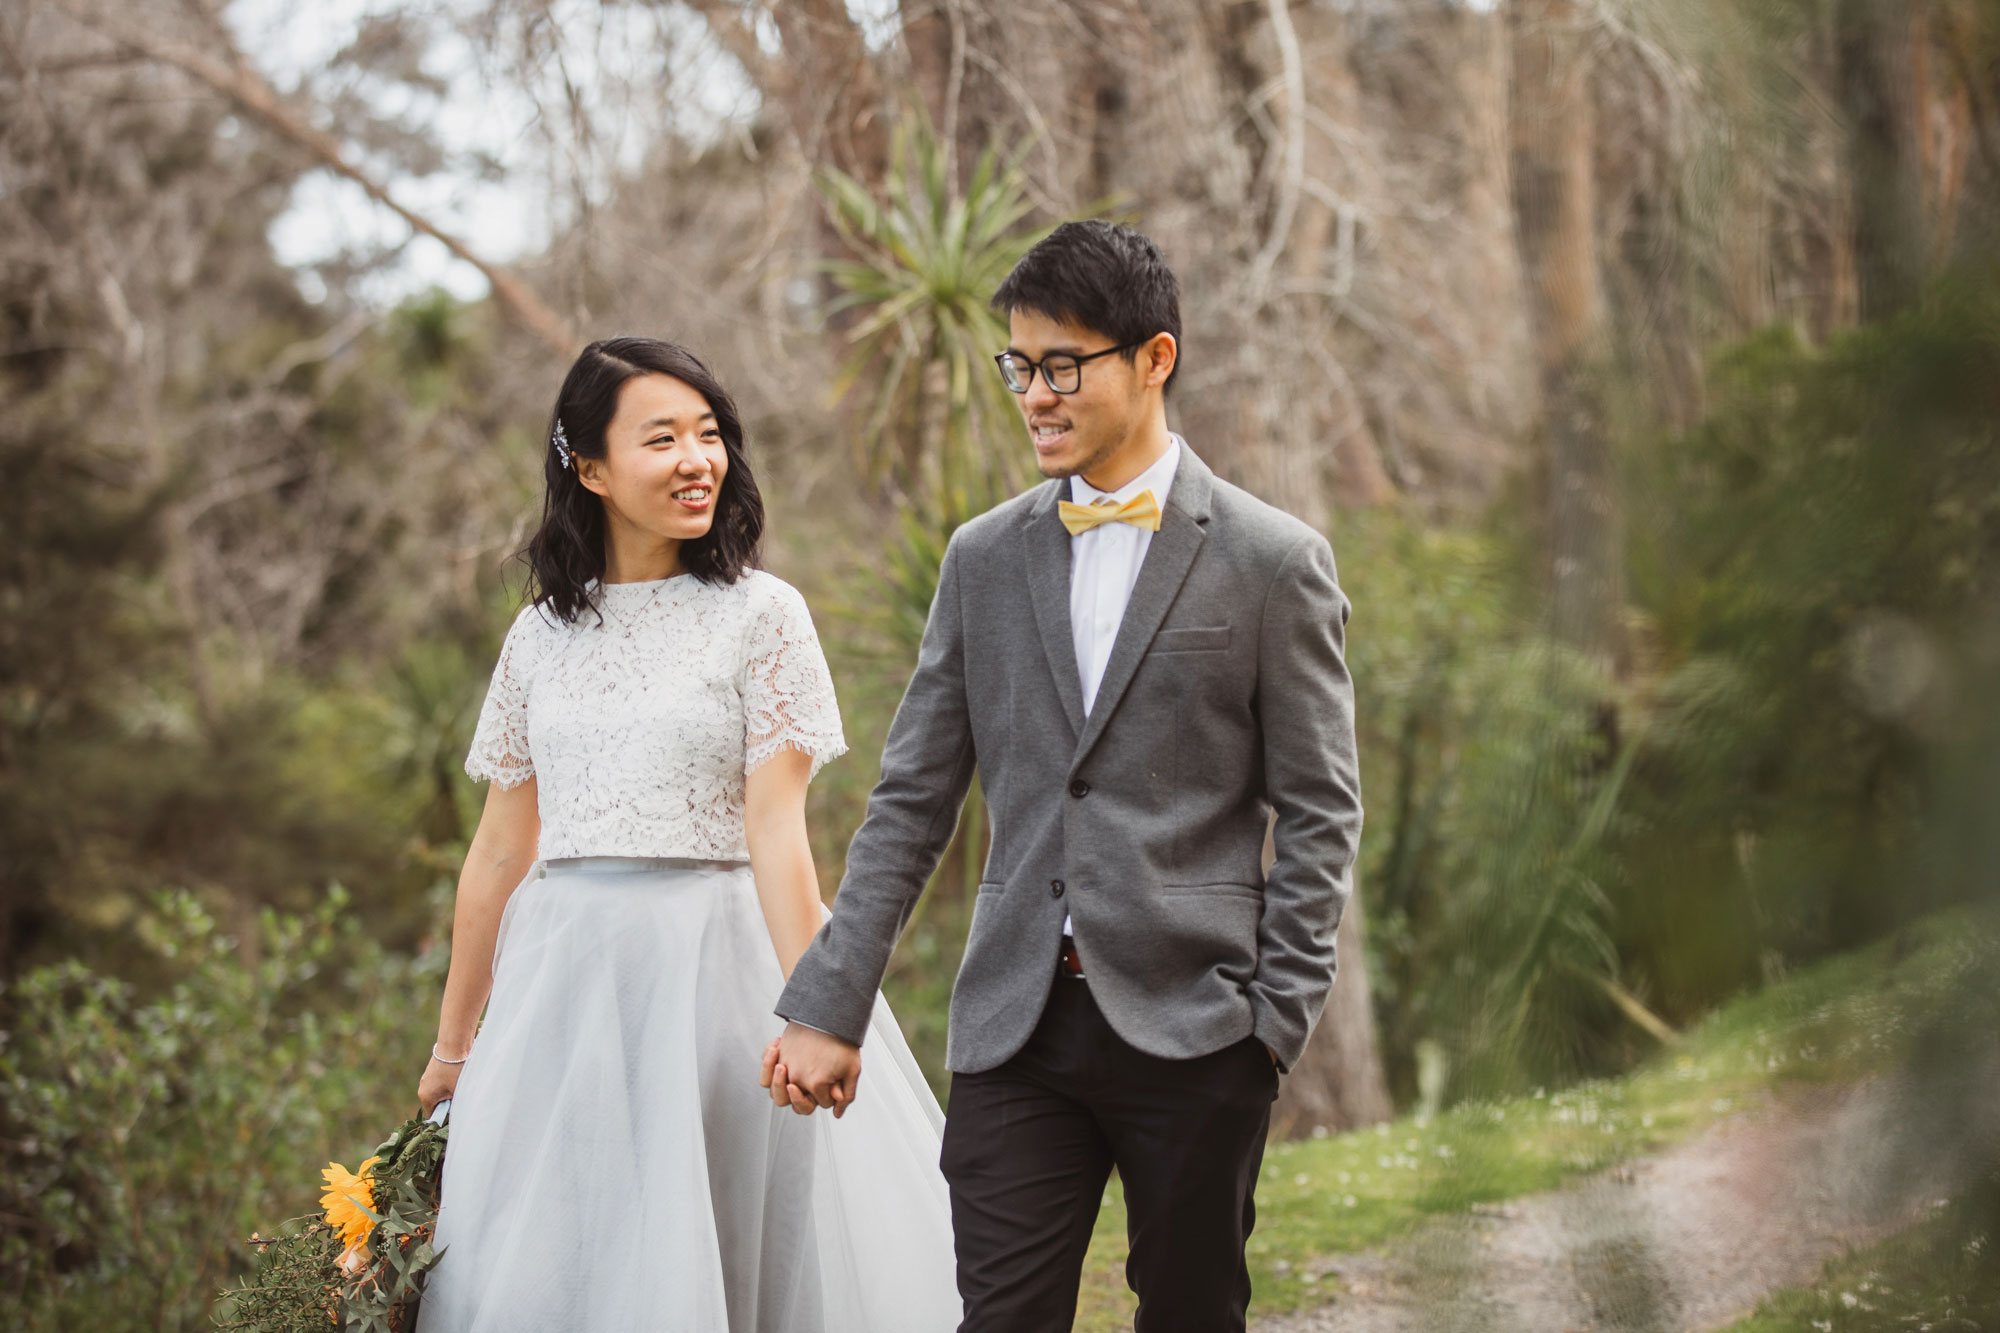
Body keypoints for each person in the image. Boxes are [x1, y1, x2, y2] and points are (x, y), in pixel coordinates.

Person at [766, 221, 1363, 1332]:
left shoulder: (1272, 561)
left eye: (1060, 366)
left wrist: (1271, 1023)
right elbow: (911, 798)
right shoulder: (981, 559)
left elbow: (1321, 810)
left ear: (1154, 359)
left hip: (1197, 1027)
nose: (1033, 395)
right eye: (1018, 366)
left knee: (1189, 1314)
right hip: (1014, 1030)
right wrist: (829, 1000)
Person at [414, 337, 960, 1332]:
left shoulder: (763, 614)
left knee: (737, 1256)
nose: (695, 459)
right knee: (567, 1266)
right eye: (660, 437)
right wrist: (454, 1048)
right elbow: (498, 850)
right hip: (560, 993)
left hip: (721, 980)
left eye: (708, 434)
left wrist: (820, 1010)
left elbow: (777, 826)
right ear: (588, 467)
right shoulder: (537, 636)